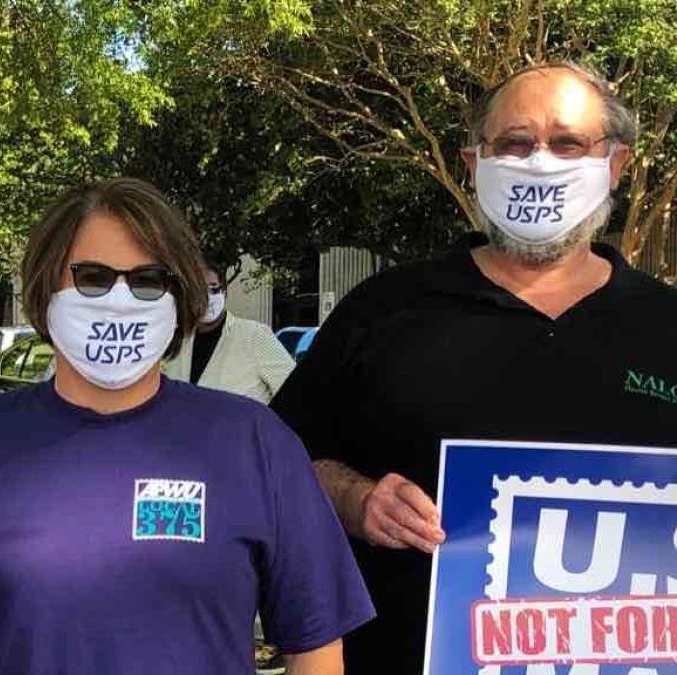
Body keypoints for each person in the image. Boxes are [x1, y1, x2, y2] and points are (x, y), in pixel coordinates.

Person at [0, 177, 373, 674]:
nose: (120, 300)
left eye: (149, 280)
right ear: (45, 287)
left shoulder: (255, 444)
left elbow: (316, 647)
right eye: (94, 277)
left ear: (180, 297)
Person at [271, 61, 677, 672]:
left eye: (568, 142)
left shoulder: (665, 325)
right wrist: (357, 499)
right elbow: (280, 461)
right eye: (514, 142)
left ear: (616, 164)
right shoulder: (384, 311)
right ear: (474, 163)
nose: (540, 161)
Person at [166, 263, 295, 403]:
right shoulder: (177, 340)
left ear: (224, 291)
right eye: (197, 290)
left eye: (212, 289)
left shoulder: (254, 335)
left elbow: (295, 393)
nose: (206, 298)